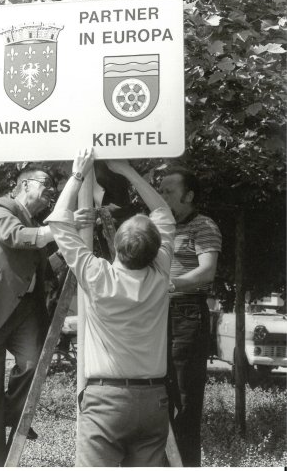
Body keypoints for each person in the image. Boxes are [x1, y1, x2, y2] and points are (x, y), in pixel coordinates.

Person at [0, 165, 94, 467]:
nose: (50, 195)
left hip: (25, 313)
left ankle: (5, 412)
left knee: (32, 366)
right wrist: (63, 225)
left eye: (54, 192)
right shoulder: (0, 207)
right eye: (46, 187)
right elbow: (16, 236)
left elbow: (43, 269)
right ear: (24, 184)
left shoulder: (38, 224)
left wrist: (71, 248)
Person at [45, 148, 176, 467]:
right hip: (153, 398)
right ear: (157, 250)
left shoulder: (96, 275)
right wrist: (128, 171)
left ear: (115, 244)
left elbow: (59, 222)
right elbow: (164, 212)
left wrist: (78, 172)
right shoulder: (160, 273)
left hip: (107, 399)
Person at [160, 166, 222, 467]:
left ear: (189, 195)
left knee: (185, 398)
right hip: (159, 314)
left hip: (186, 313)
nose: (163, 196)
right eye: (161, 190)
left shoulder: (203, 226)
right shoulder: (161, 226)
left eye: (169, 191)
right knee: (158, 393)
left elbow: (206, 271)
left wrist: (170, 284)